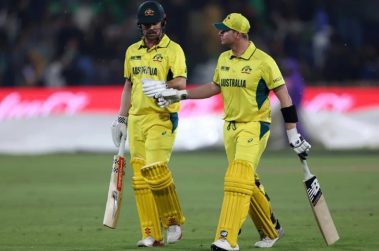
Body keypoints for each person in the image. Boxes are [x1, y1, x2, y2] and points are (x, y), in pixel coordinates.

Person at [147, 13, 311, 250]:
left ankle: (227, 238)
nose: (219, 33)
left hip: (254, 126)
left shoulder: (264, 61)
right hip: (230, 127)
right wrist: (181, 94)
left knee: (236, 179)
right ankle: (271, 230)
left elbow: (285, 98)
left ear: (238, 33)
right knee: (246, 180)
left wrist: (293, 134)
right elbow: (214, 87)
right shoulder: (224, 58)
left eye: (224, 30)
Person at [110, 1, 187, 247]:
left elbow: (182, 82)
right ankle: (152, 234)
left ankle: (173, 220)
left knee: (155, 169)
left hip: (162, 117)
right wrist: (122, 117)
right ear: (139, 26)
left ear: (163, 22)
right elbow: (128, 86)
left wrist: (164, 86)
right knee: (141, 179)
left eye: (154, 23)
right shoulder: (132, 50)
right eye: (145, 25)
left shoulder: (173, 49)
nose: (150, 28)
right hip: (136, 119)